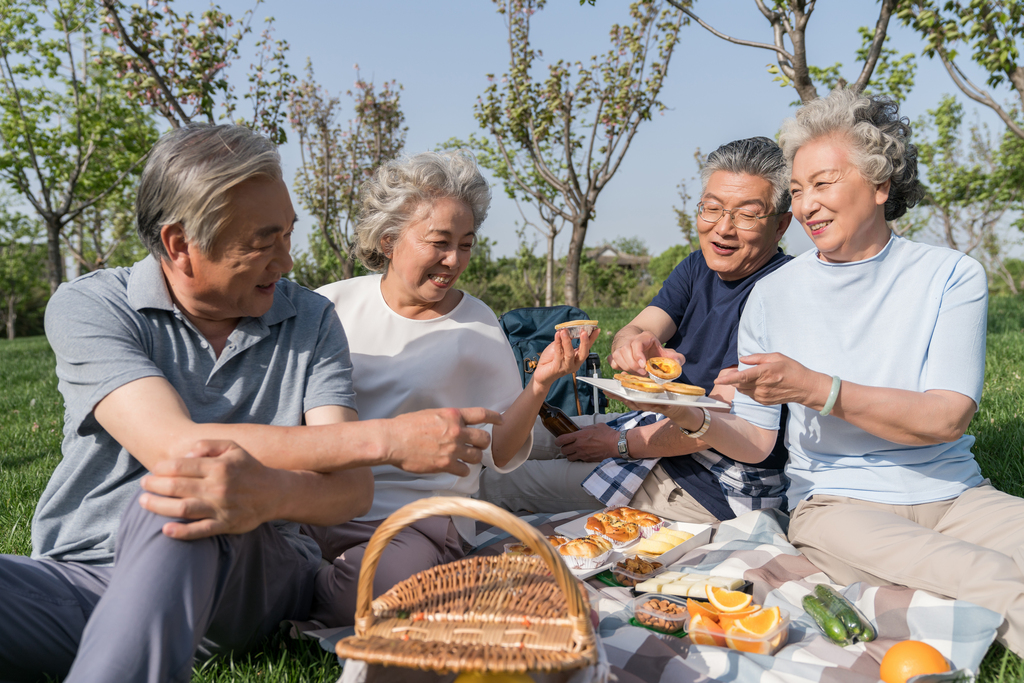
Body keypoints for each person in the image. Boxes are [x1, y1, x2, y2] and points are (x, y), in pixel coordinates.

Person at [0, 124, 500, 683]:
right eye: (264, 242)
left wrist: (270, 494)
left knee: (193, 489)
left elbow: (351, 489)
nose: (286, 261)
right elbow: (174, 442)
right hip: (86, 574)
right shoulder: (92, 306)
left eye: (288, 234)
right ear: (178, 244)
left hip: (251, 577)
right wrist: (390, 439)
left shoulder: (310, 319)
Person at [635, 89, 1024, 656]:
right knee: (992, 576)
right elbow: (756, 436)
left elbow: (946, 418)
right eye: (797, 190)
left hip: (957, 492)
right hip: (837, 504)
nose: (807, 204)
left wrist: (817, 389)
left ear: (881, 184)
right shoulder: (771, 296)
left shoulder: (950, 275)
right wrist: (694, 417)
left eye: (824, 183)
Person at [303, 150, 597, 628]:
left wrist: (540, 382)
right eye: (440, 242)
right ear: (389, 239)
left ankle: (313, 591)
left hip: (417, 518)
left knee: (384, 594)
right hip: (316, 503)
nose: (454, 260)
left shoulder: (476, 323)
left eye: (466, 244)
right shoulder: (330, 305)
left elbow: (501, 449)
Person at [478, 136, 793, 524]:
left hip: (707, 480)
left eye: (746, 215)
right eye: (711, 209)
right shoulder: (698, 267)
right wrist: (632, 344)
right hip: (654, 431)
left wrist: (619, 444)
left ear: (781, 225)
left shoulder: (780, 293)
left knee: (494, 483)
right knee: (496, 442)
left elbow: (724, 422)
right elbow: (641, 326)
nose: (722, 228)